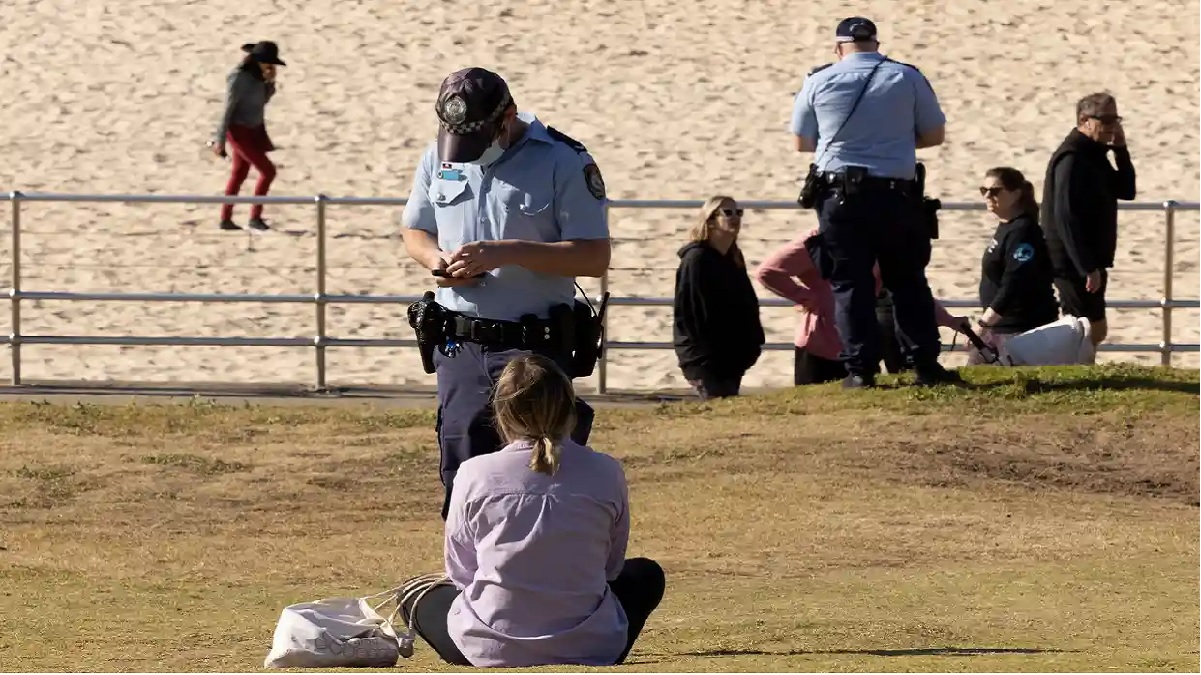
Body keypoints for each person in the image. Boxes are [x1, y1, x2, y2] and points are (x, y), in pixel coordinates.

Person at [401, 67, 611, 520]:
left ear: (507, 117)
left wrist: (509, 252)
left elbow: (594, 258)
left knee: (542, 474)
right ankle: (470, 584)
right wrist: (436, 261)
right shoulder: (438, 156)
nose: (467, 156)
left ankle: (544, 578)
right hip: (459, 344)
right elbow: (415, 230)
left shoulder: (563, 160)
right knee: (462, 476)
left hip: (534, 344)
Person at [401, 354, 666, 668]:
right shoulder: (606, 470)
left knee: (413, 593)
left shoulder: (475, 472)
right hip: (592, 644)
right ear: (571, 409)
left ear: (501, 413)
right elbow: (610, 568)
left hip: (490, 646)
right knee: (646, 574)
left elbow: (461, 572)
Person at [790, 16, 961, 389]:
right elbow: (934, 135)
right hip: (895, 195)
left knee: (850, 285)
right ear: (877, 45)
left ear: (838, 49)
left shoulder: (818, 79)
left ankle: (860, 371)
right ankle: (925, 365)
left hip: (839, 197)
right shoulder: (907, 77)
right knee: (907, 281)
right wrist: (891, 141)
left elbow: (803, 143)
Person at [756, 230, 968, 384]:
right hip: (820, 348)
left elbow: (908, 291)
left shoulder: (880, 242)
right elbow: (768, 271)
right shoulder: (818, 239)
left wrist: (949, 320)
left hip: (862, 346)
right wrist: (807, 297)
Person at [1040, 92, 1137, 352]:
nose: (1113, 127)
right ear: (1084, 120)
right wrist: (1086, 266)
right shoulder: (1072, 158)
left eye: (1116, 120)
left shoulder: (1094, 154)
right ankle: (1071, 377)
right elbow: (1064, 216)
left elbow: (1127, 190)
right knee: (1084, 329)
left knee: (1090, 328)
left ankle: (1076, 374)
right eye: (1106, 120)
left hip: (1088, 259)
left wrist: (1121, 150)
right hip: (1072, 262)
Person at [672, 196, 765, 400]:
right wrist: (713, 354)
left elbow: (747, 303)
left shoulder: (733, 256)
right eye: (727, 213)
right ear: (711, 219)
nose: (735, 218)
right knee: (717, 409)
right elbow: (693, 315)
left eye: (738, 212)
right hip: (706, 358)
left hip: (733, 357)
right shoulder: (696, 260)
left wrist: (753, 343)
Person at [970, 167, 1061, 363]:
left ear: (1016, 194)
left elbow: (1015, 281)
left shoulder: (1023, 232)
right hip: (1002, 327)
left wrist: (984, 323)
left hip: (1019, 330)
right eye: (983, 190)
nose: (987, 196)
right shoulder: (1007, 226)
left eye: (994, 191)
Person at [212, 41, 285, 232]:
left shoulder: (260, 77)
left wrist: (270, 82)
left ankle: (225, 219)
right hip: (238, 131)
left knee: (239, 173)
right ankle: (255, 218)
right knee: (268, 171)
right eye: (267, 62)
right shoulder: (237, 77)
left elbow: (262, 101)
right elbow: (227, 109)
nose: (270, 66)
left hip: (254, 129)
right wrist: (219, 140)